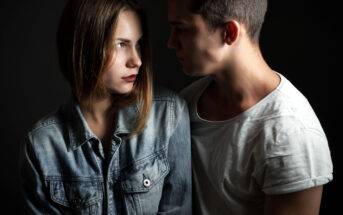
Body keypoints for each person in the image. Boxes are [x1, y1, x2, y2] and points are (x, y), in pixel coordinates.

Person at [19, 0, 192, 214]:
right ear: (84, 46)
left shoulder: (169, 114)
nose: (137, 60)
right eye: (121, 44)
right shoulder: (41, 146)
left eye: (138, 44)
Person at [167, 0, 333, 214]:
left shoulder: (292, 134)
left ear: (229, 32)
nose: (171, 42)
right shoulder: (183, 105)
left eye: (182, 29)